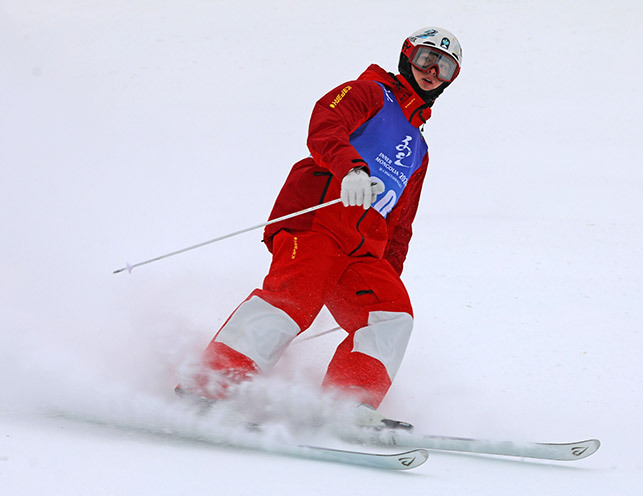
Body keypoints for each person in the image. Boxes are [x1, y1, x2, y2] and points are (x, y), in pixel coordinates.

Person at [177, 27, 463, 425]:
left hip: (362, 250)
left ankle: (346, 406)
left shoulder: (419, 148)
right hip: (318, 220)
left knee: (391, 314)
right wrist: (351, 169)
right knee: (294, 299)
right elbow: (326, 122)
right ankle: (210, 386)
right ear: (406, 57)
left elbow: (401, 222)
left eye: (444, 67)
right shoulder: (369, 92)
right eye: (426, 59)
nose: (432, 71)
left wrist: (387, 273)